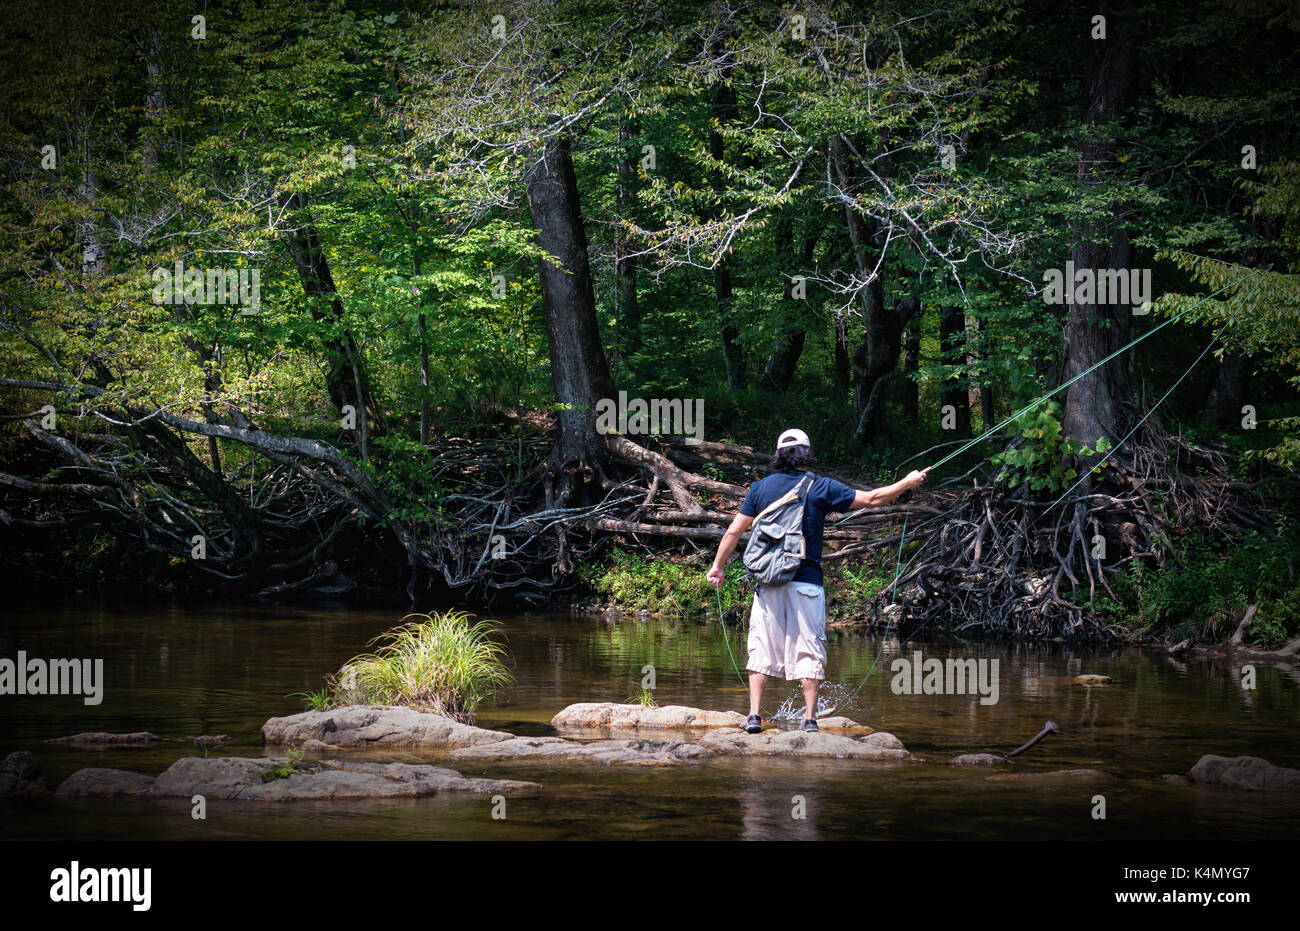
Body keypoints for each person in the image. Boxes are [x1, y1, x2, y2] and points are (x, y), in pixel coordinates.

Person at [706, 428, 928, 734]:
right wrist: (907, 482)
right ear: (807, 453)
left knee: (761, 648)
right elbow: (873, 499)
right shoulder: (820, 486)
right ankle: (809, 719)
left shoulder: (759, 489)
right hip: (806, 583)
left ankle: (754, 716)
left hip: (768, 583)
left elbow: (733, 532)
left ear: (778, 455)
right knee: (809, 649)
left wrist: (718, 567)